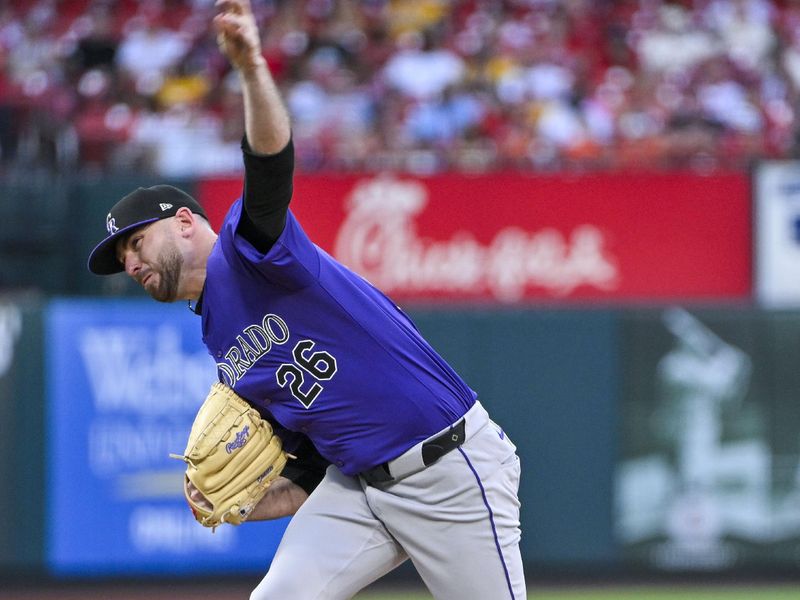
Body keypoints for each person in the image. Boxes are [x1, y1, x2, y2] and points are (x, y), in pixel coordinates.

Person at [87, 1, 525, 598]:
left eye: (135, 242)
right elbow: (311, 461)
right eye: (122, 260)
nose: (131, 262)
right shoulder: (218, 338)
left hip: (448, 469)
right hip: (358, 488)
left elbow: (269, 165)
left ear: (186, 222)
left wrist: (250, 68)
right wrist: (253, 500)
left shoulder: (247, 250)